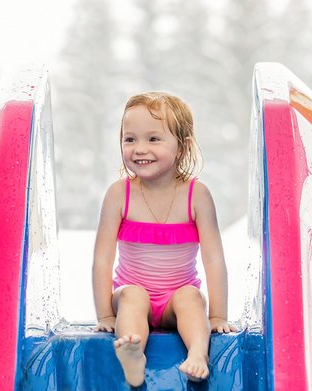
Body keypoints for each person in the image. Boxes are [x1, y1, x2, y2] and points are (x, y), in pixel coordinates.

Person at [92, 92, 234, 387]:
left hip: (174, 301)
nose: (139, 148)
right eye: (130, 139)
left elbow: (214, 258)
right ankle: (133, 355)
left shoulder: (197, 195)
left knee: (191, 297)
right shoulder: (120, 194)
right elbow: (102, 259)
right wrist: (106, 314)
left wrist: (218, 315)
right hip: (130, 297)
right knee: (133, 295)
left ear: (183, 147)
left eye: (153, 139)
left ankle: (198, 354)